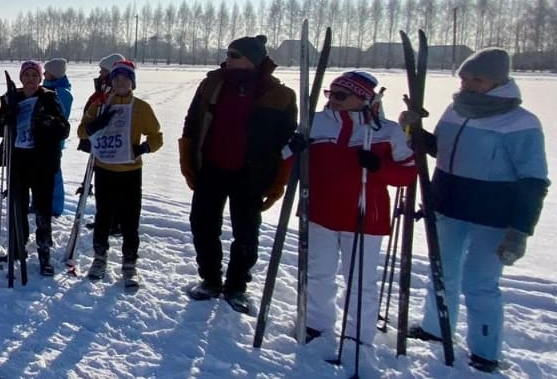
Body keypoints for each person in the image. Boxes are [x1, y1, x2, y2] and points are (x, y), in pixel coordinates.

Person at [403, 48, 548, 373]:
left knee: (479, 283)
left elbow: (534, 180)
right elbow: (438, 148)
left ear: (499, 81)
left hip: (493, 216)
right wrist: (412, 130)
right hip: (447, 205)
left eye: (476, 79)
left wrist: (520, 231)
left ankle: (485, 351)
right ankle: (435, 328)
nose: (466, 84)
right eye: (464, 77)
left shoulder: (521, 122)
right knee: (442, 272)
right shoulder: (456, 110)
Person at [301, 70, 415, 368]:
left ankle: (358, 336)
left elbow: (408, 172)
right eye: (330, 94)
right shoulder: (315, 121)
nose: (333, 101)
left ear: (363, 99)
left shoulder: (385, 130)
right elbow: (288, 161)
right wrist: (292, 149)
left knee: (361, 281)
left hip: (365, 218)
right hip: (320, 213)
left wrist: (380, 167)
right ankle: (316, 324)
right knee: (318, 272)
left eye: (341, 96)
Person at [180, 35, 296, 313]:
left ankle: (236, 287)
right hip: (212, 167)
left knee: (246, 233)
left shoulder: (279, 95)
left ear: (252, 59)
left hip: (251, 173)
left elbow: (286, 140)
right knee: (202, 223)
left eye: (235, 55)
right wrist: (187, 159)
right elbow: (192, 121)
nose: (228, 59)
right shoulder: (212, 84)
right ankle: (210, 279)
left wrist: (279, 180)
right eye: (228, 53)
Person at [75, 60, 162, 288]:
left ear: (132, 82)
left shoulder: (141, 107)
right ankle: (100, 258)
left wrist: (142, 148)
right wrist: (96, 124)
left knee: (130, 218)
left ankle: (130, 264)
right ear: (111, 81)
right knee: (103, 215)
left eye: (125, 78)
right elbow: (82, 131)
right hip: (104, 169)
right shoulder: (100, 105)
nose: (121, 82)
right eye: (116, 79)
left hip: (131, 171)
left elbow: (157, 136)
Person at [1, 60, 71, 276]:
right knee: (18, 207)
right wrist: (6, 115)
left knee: (42, 210)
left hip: (42, 162)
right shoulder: (11, 97)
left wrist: (48, 124)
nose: (30, 79)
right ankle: (17, 247)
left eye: (34, 75)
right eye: (27, 75)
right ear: (21, 78)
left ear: (40, 78)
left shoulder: (49, 97)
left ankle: (44, 253)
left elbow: (64, 129)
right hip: (18, 159)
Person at [43, 58, 74, 218]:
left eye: (46, 71)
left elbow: (60, 115)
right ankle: (39, 202)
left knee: (54, 173)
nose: (43, 73)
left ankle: (55, 207)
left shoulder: (62, 93)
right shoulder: (46, 89)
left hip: (54, 140)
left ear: (53, 74)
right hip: (40, 139)